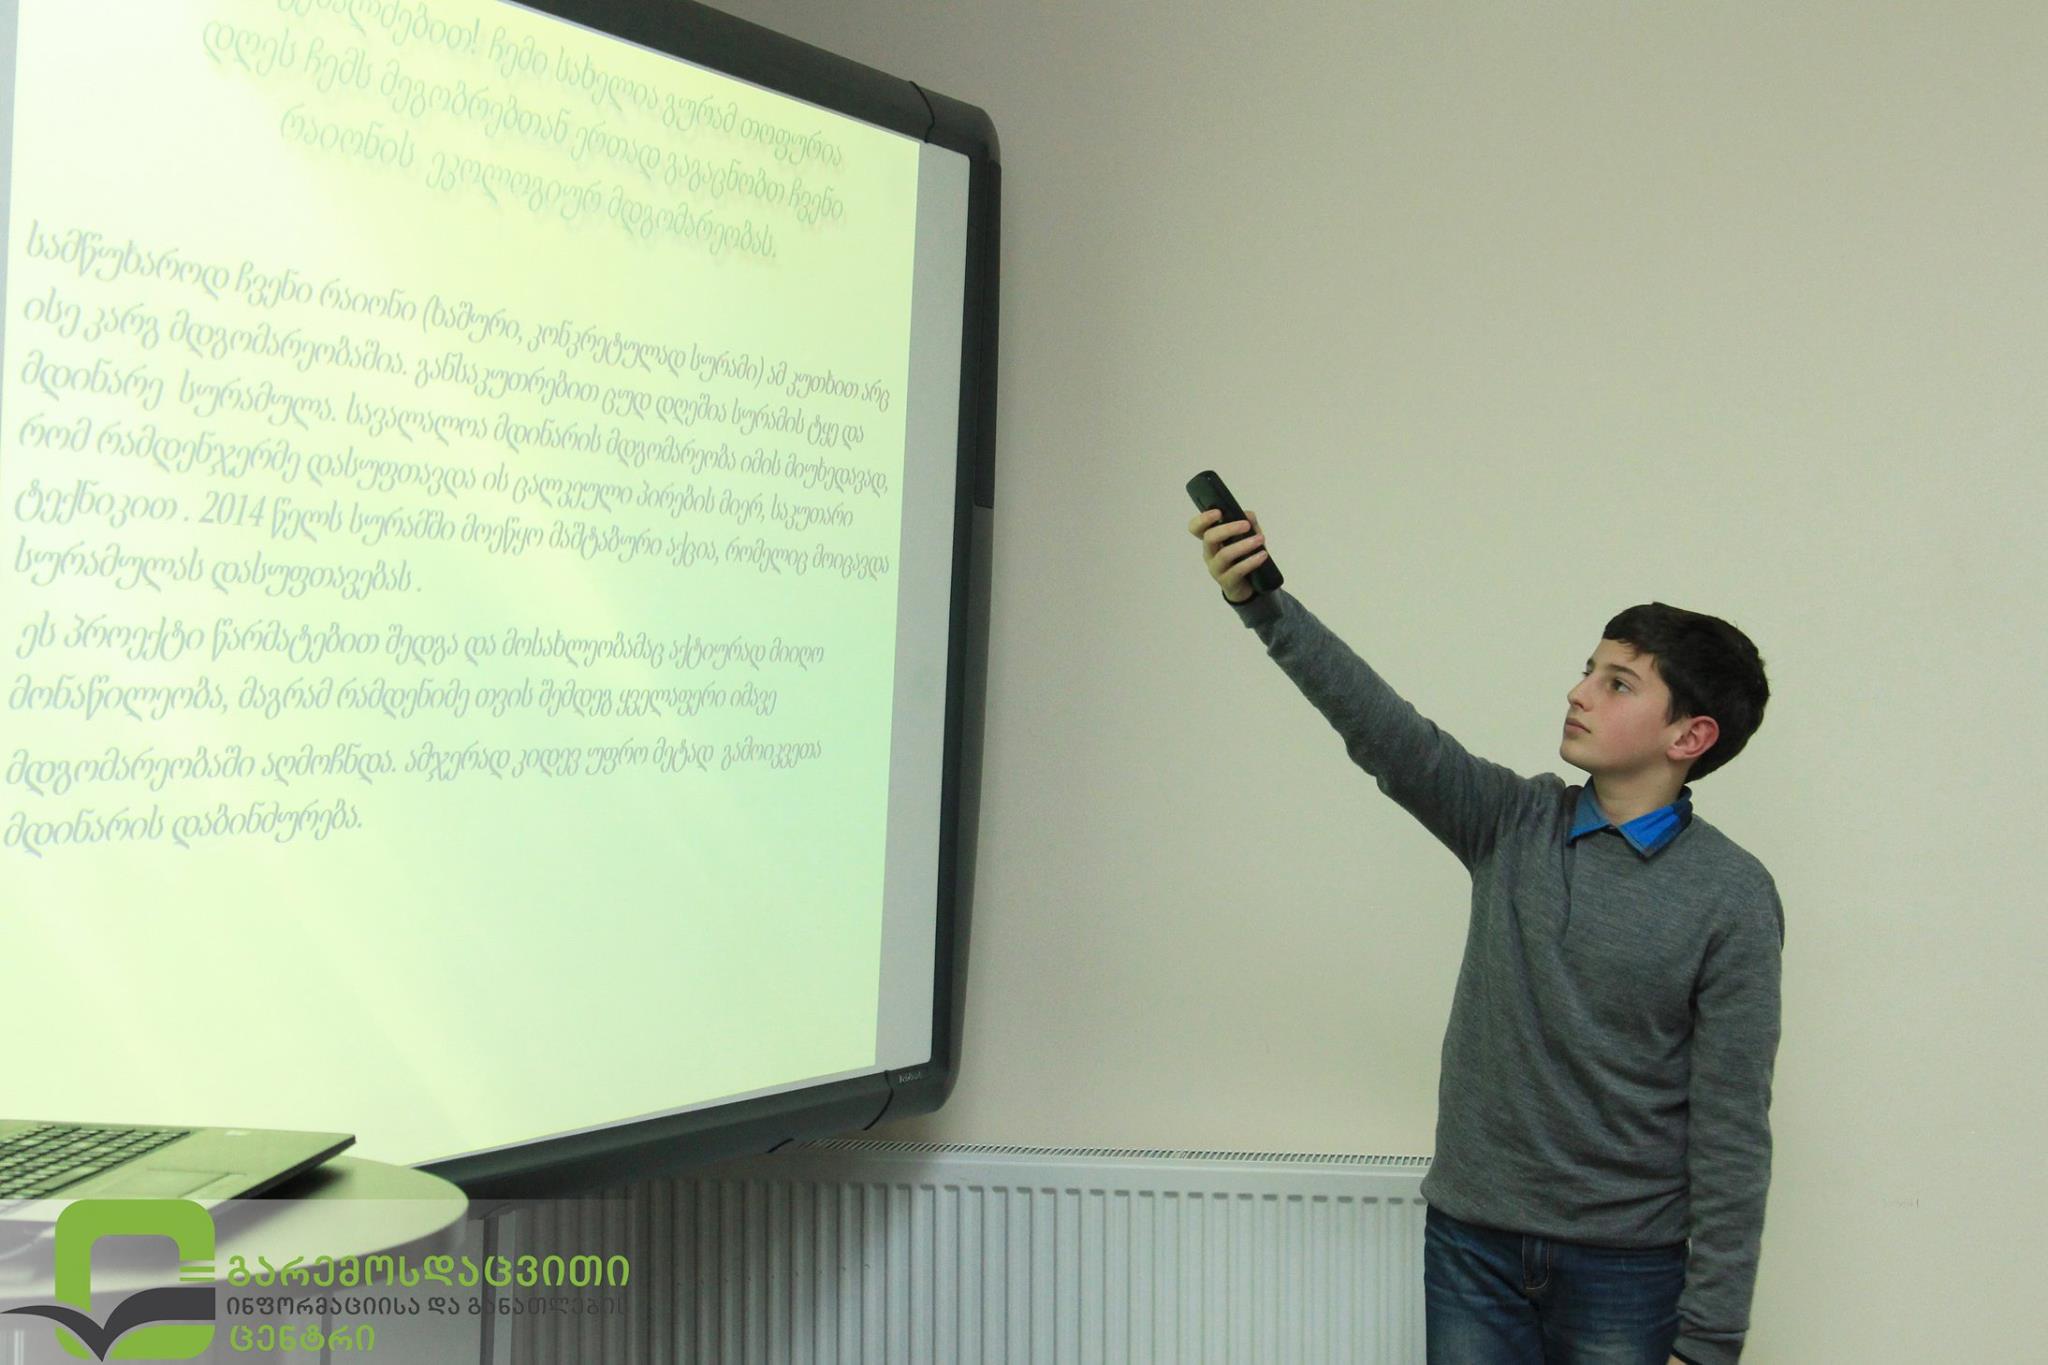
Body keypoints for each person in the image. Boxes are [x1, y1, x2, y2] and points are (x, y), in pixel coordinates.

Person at [1189, 507, 1781, 1365]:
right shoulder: (1511, 821)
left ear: (1689, 735)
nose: (1579, 691)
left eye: (1618, 684)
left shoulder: (1733, 894)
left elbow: (1732, 1128)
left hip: (1626, 1269)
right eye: (1587, 670)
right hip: (1473, 1247)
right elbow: (1382, 728)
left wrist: (1711, 1338)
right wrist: (1263, 604)